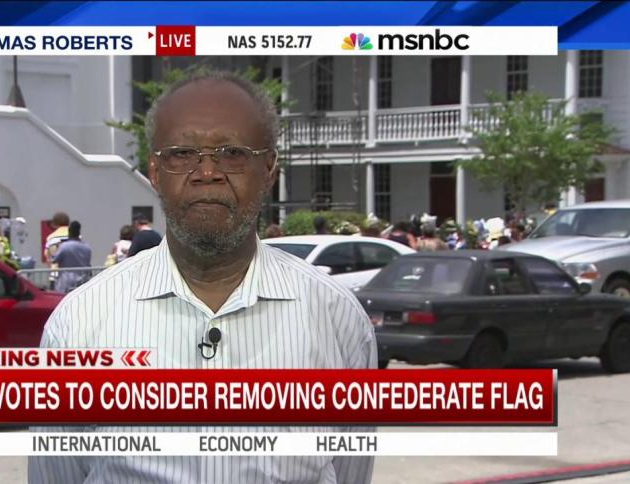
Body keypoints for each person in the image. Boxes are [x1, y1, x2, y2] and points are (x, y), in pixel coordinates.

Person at [30, 71, 376, 483]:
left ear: (268, 170)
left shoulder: (337, 319)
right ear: (155, 172)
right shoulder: (78, 324)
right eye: (182, 154)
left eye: (232, 153)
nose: (207, 172)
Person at [52, 221, 92, 293]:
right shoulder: (87, 247)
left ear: (69, 232)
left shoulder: (64, 246)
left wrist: (57, 248)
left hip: (66, 282)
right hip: (83, 281)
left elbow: (54, 259)